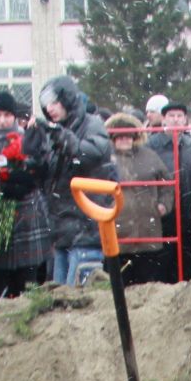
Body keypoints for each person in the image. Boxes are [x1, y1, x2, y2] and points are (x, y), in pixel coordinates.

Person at [38, 76, 114, 288]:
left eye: (55, 102)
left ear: (67, 99)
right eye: (46, 105)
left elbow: (92, 155)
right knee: (60, 299)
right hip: (62, 232)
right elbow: (47, 180)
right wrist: (33, 157)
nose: (50, 109)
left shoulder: (92, 124)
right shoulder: (53, 133)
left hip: (86, 229)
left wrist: (62, 138)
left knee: (81, 299)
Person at [0, 92, 53, 299]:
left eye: (7, 115)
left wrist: (29, 175)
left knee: (27, 282)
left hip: (26, 214)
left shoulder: (26, 136)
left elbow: (42, 165)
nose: (2, 120)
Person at [103, 113, 176, 285]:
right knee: (118, 284)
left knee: (148, 283)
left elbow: (167, 183)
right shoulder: (104, 159)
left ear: (135, 137)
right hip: (117, 232)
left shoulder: (150, 156)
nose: (124, 140)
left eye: (128, 135)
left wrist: (164, 205)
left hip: (148, 232)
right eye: (119, 136)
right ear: (112, 138)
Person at [150, 99, 191, 280]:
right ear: (163, 119)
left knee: (187, 257)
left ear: (185, 119)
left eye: (179, 116)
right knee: (163, 258)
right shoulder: (152, 145)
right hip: (163, 212)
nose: (175, 120)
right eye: (171, 116)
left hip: (187, 209)